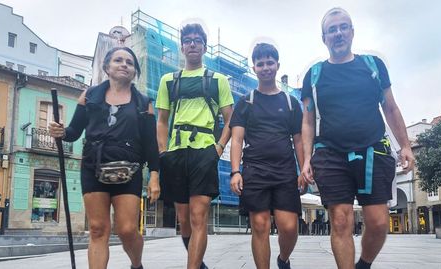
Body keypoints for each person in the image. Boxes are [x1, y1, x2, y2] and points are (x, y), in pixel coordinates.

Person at [300, 7, 415, 269]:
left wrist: (406, 145)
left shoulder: (372, 66)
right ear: (324, 38)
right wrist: (307, 159)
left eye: (343, 27)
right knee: (340, 220)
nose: (338, 33)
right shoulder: (314, 75)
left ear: (352, 32)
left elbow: (391, 108)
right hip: (330, 154)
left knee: (378, 223)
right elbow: (307, 120)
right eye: (332, 29)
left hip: (374, 150)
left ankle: (363, 264)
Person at [49, 47, 160, 269]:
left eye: (129, 62)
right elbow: (73, 131)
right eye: (118, 60)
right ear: (107, 67)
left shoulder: (143, 102)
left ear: (134, 71)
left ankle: (136, 264)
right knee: (98, 228)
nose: (124, 65)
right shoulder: (90, 95)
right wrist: (60, 132)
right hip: (93, 166)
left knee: (127, 229)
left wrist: (154, 176)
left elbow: (150, 144)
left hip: (129, 169)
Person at [156, 23, 234, 269]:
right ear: (182, 46)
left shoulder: (218, 80)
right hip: (176, 153)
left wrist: (219, 148)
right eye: (188, 40)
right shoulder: (168, 80)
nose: (192, 44)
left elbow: (231, 119)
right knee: (184, 219)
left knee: (199, 216)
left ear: (204, 47)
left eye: (197, 40)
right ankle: (198, 264)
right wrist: (162, 153)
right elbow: (161, 120)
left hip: (204, 152)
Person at [230, 43, 306, 269]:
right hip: (254, 170)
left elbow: (299, 140)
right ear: (254, 67)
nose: (265, 67)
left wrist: (303, 170)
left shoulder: (291, 103)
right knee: (260, 226)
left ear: (277, 65)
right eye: (260, 63)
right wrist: (235, 171)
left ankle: (283, 259)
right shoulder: (245, 102)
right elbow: (236, 139)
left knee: (289, 227)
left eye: (269, 63)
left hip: (285, 172)